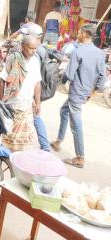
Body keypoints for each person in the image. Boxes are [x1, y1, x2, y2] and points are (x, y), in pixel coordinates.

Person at [51, 24, 106, 168]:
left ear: (84, 33)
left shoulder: (78, 51)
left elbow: (69, 74)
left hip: (76, 91)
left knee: (76, 124)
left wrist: (59, 82)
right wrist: (92, 92)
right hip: (86, 92)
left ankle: (80, 157)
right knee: (64, 111)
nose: (78, 34)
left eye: (80, 31)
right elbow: (102, 78)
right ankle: (58, 141)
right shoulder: (100, 53)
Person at [0, 35, 42, 152]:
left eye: (35, 49)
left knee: (26, 138)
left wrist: (38, 103)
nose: (34, 51)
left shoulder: (35, 62)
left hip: (26, 105)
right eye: (31, 48)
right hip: (13, 104)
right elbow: (2, 80)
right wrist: (2, 100)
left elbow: (37, 83)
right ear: (23, 46)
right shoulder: (13, 59)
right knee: (9, 135)